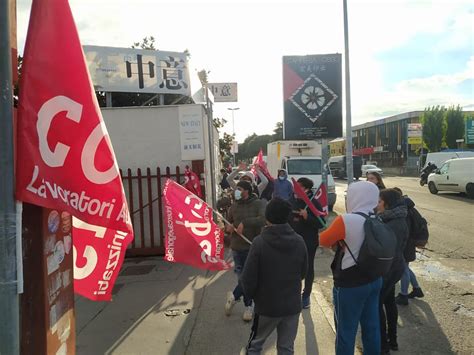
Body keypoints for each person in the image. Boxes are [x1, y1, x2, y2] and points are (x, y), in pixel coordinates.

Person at [320, 181, 383, 355]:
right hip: (374, 279)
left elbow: (323, 240)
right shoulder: (378, 218)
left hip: (351, 284)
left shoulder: (347, 220)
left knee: (346, 331)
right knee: (371, 326)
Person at [240, 198, 308, 355]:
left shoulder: (260, 242)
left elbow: (248, 278)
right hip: (292, 304)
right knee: (286, 348)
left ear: (267, 217)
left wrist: (250, 297)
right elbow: (303, 272)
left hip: (266, 305)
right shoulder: (299, 241)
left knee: (255, 345)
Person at [225, 180, 266, 321]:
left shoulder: (258, 203)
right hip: (237, 247)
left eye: (239, 189)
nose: (236, 191)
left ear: (247, 191)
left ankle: (237, 299)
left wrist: (245, 223)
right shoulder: (234, 206)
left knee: (248, 278)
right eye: (236, 189)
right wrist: (228, 228)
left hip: (252, 247)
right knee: (242, 278)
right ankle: (247, 303)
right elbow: (229, 222)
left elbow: (263, 220)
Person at [377, 188, 409, 353]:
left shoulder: (393, 222)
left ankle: (384, 345)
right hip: (395, 266)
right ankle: (392, 340)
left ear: (387, 203)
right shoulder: (395, 217)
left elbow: (388, 249)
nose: (377, 204)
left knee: (377, 305)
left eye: (380, 201)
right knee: (388, 301)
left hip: (390, 269)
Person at [289, 177, 325, 309]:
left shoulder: (314, 203)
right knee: (293, 268)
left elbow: (322, 223)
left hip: (309, 242)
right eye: (296, 187)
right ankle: (294, 293)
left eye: (300, 188)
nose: (296, 190)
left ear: (307, 189)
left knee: (308, 269)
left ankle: (306, 296)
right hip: (292, 241)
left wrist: (307, 217)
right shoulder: (291, 200)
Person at [392, 187, 424, 306]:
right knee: (406, 267)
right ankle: (416, 289)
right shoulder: (409, 207)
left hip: (405, 243)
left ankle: (403, 295)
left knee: (403, 268)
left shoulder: (403, 210)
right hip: (409, 242)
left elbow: (404, 229)